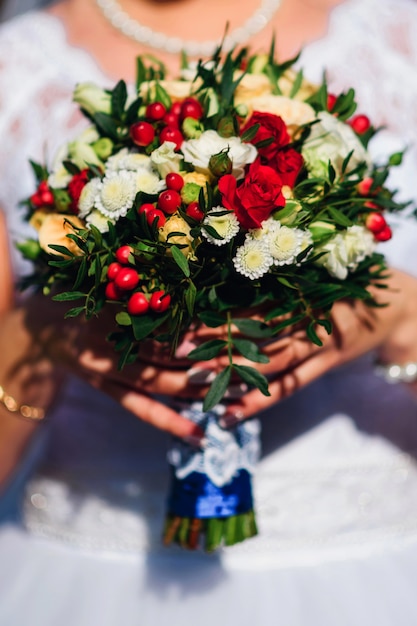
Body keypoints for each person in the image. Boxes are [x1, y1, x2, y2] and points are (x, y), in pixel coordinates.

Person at [0, 0, 417, 624]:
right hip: (91, 577)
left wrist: (402, 320)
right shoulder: (15, 71)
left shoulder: (399, 39)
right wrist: (37, 339)